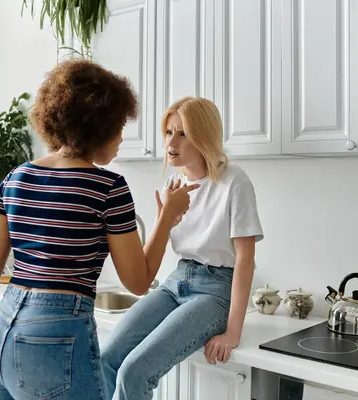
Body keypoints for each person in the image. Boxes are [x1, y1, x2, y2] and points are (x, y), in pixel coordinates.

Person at [0, 60, 199, 400]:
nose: (122, 136)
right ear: (98, 126)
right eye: (118, 126)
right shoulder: (107, 187)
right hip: (53, 339)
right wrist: (167, 218)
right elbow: (138, 282)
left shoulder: (16, 177)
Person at [101, 96, 264, 400]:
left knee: (134, 371)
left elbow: (245, 261)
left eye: (182, 133)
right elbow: (157, 250)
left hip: (215, 292)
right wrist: (165, 217)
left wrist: (232, 332)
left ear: (203, 136)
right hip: (176, 282)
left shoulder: (235, 183)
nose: (170, 141)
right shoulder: (174, 185)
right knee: (107, 358)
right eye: (168, 132)